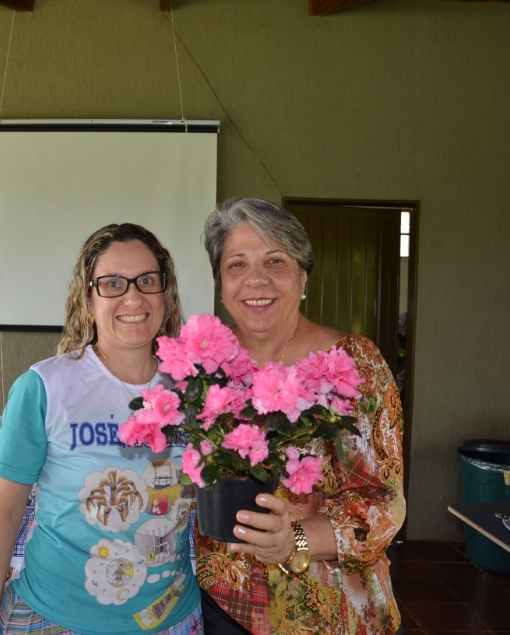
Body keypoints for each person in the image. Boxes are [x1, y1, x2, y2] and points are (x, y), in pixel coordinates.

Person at [0, 224, 202, 635]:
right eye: (112, 284)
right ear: (88, 299)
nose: (133, 297)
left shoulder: (197, 389)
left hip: (171, 620)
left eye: (147, 281)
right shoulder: (43, 387)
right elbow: (3, 515)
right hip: (52, 620)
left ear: (165, 293)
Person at [195, 198, 405, 635]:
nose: (256, 279)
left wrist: (298, 539)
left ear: (303, 277)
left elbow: (385, 503)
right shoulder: (206, 370)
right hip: (217, 605)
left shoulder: (351, 365)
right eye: (237, 265)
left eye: (275, 261)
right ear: (221, 285)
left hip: (325, 612)